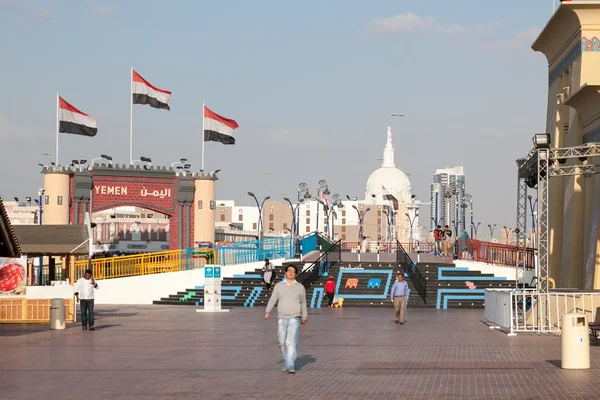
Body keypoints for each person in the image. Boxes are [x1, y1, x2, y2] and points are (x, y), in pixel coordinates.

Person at [264, 264, 307, 373]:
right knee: (282, 342)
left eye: (293, 271)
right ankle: (285, 360)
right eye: (289, 271)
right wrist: (267, 310)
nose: (291, 272)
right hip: (282, 318)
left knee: (291, 342)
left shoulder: (300, 287)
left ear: (295, 274)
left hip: (294, 317)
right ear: (285, 273)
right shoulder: (279, 286)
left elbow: (303, 303)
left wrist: (304, 316)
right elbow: (273, 299)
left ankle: (290, 364)